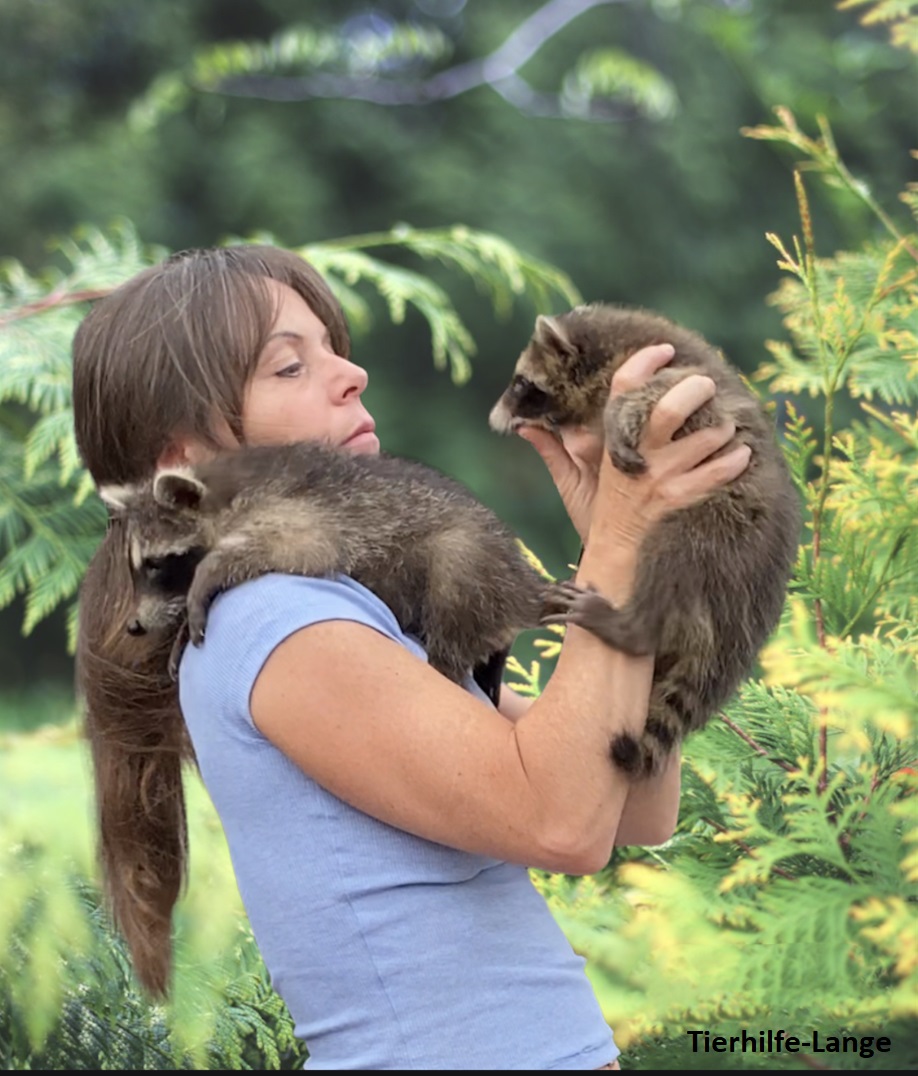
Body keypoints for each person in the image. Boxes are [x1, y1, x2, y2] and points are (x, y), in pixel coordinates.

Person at [72, 244, 752, 1071]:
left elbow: (632, 804)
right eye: (289, 367)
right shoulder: (271, 620)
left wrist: (624, 554)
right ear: (184, 465)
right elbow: (564, 824)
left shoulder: (338, 610)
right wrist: (617, 537)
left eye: (334, 346)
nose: (350, 374)